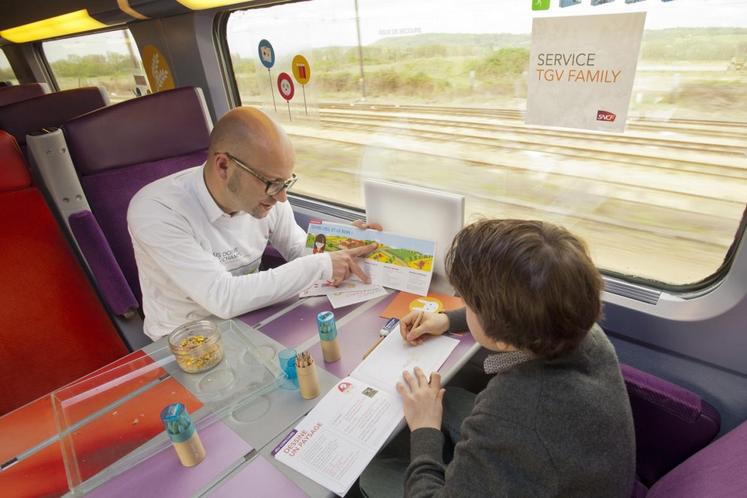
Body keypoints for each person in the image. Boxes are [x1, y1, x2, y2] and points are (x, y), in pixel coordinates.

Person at [360, 219, 635, 497]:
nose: (463, 306)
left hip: (546, 453)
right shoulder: (576, 326)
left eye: (466, 303)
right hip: (584, 463)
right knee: (451, 398)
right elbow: (522, 315)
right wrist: (446, 320)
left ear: (502, 335)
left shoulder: (512, 413)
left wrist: (425, 428)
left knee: (373, 475)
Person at [128, 107, 377, 340]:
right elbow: (222, 297)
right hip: (185, 340)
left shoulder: (270, 198)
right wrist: (320, 265)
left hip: (249, 319)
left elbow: (298, 249)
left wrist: (343, 243)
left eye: (285, 183)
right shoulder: (157, 210)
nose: (281, 197)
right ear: (223, 166)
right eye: (271, 183)